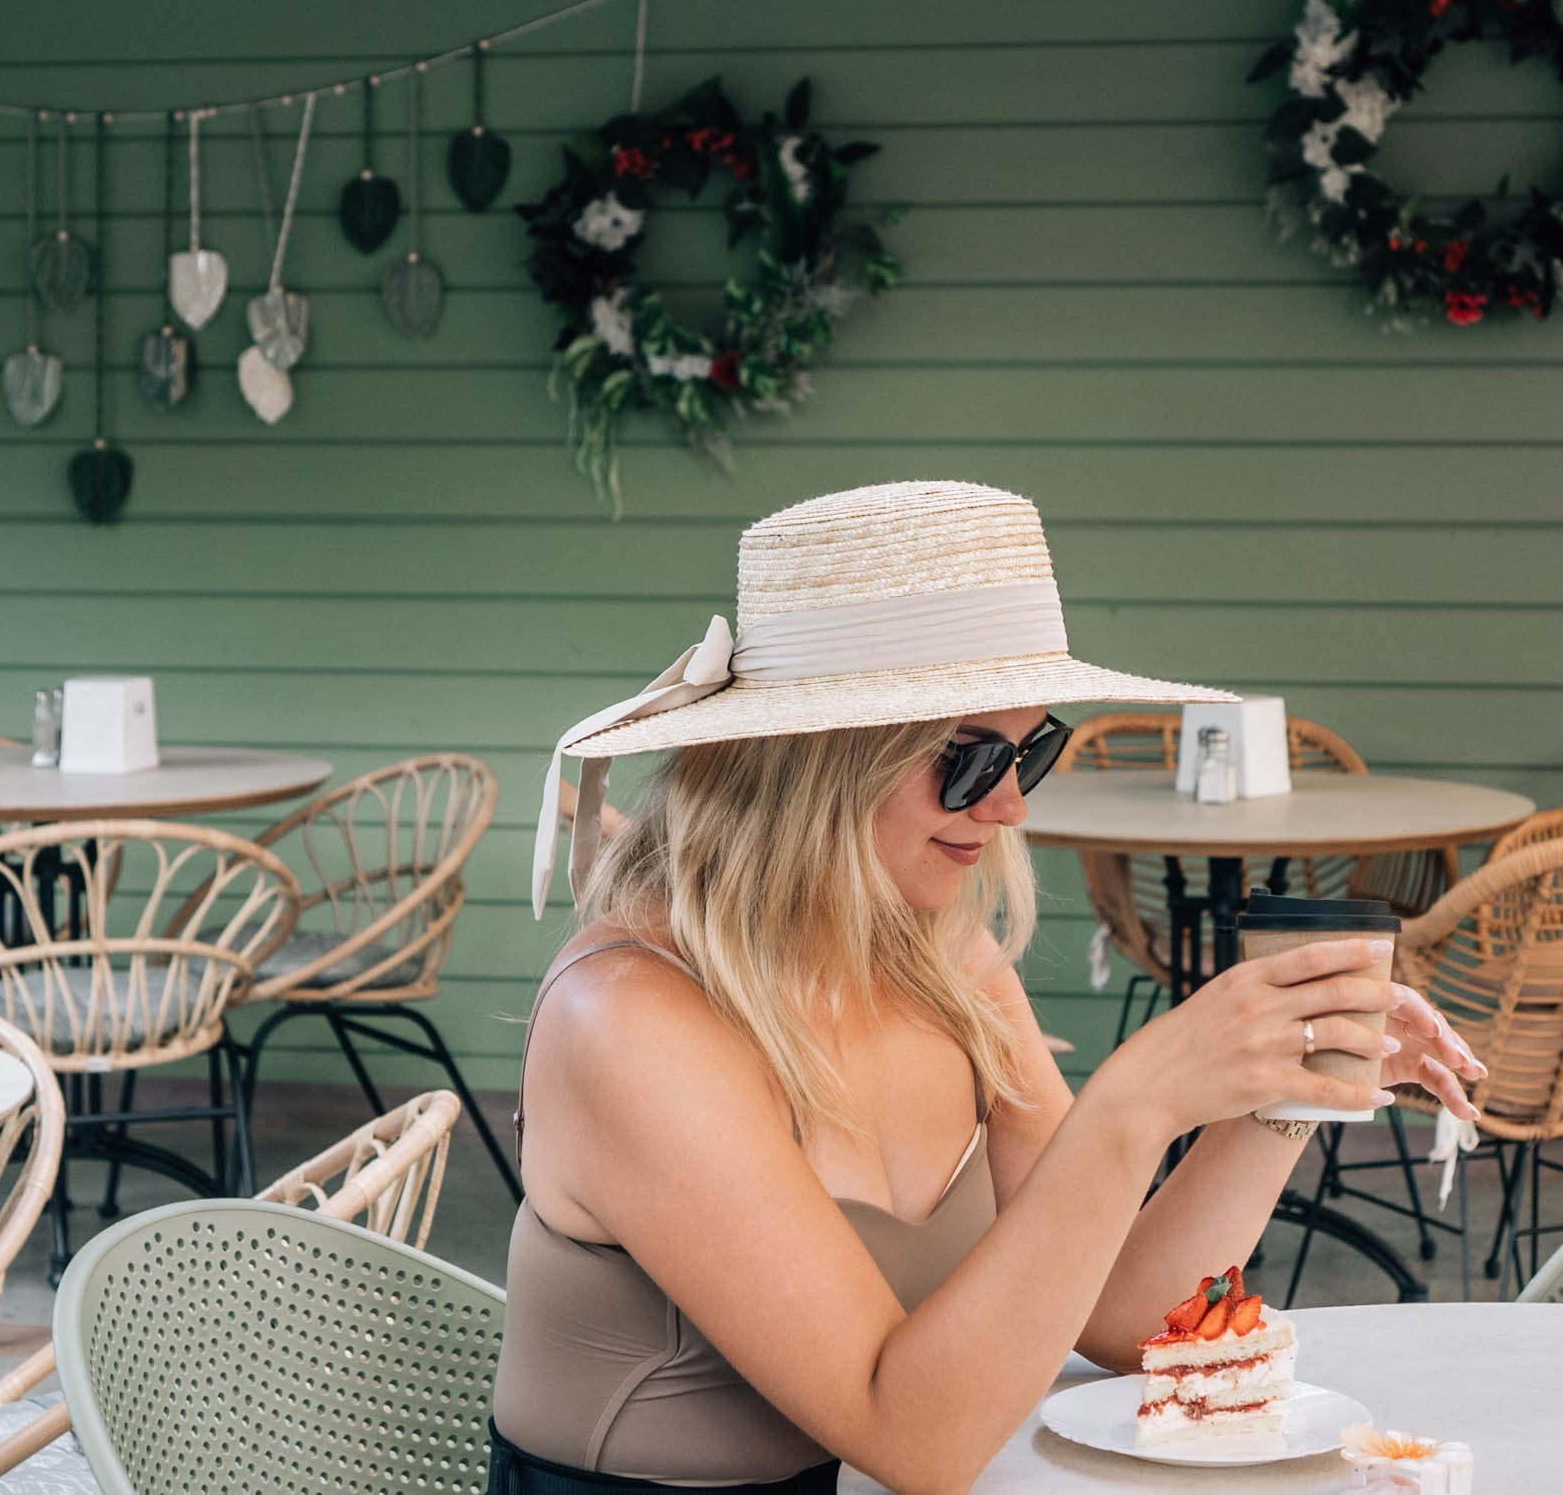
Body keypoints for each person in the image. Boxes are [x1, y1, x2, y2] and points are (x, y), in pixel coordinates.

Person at [496, 481, 1486, 1495]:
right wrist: (1135, 1101)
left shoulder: (941, 963)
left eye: (1032, 750)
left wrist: (1284, 1090)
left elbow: (1124, 1318)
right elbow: (911, 1441)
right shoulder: (629, 1020)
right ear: (814, 763)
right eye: (969, 761)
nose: (1010, 804)